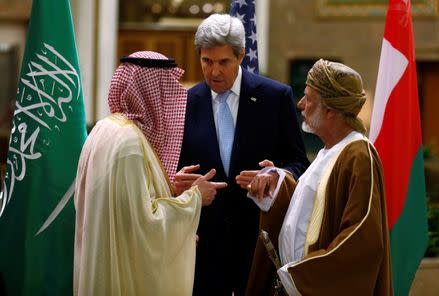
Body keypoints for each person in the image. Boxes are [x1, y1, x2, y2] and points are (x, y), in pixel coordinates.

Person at [174, 14, 310, 295]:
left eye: (223, 62)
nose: (214, 72)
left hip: (257, 245)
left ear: (241, 56)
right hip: (203, 249)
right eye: (206, 61)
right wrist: (177, 182)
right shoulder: (184, 103)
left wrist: (276, 175)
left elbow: (299, 163)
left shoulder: (275, 97)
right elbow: (174, 169)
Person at [73, 51, 227, 296]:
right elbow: (143, 225)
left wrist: (171, 187)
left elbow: (122, 209)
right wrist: (195, 198)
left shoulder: (105, 128)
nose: (171, 100)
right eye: (166, 91)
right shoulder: (129, 144)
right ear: (150, 92)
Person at [246, 59, 393, 295]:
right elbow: (311, 209)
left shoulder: (358, 154)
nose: (300, 104)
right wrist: (277, 183)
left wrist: (302, 277)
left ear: (329, 110)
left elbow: (362, 237)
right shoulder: (329, 151)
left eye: (308, 98)